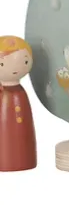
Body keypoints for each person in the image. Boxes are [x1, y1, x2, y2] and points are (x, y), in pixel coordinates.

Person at [0, 36, 37, 172]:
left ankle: (25, 161)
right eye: (2, 64)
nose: (15, 69)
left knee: (24, 139)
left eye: (25, 61)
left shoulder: (20, 93)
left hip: (24, 135)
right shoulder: (4, 92)